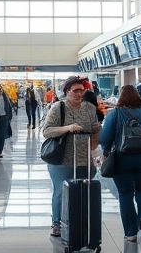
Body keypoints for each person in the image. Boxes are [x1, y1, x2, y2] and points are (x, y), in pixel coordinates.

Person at [99, 85, 141, 242]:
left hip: (122, 158)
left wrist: (107, 152)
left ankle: (131, 233)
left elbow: (105, 138)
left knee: (125, 194)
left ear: (120, 98)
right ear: (138, 96)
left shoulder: (114, 114)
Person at [41, 76, 101, 238]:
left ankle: (79, 221)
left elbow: (96, 128)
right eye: (76, 90)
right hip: (62, 159)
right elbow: (46, 131)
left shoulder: (89, 108)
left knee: (84, 191)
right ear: (67, 91)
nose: (79, 93)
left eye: (82, 90)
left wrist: (94, 149)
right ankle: (57, 223)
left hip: (84, 158)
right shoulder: (58, 107)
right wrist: (67, 128)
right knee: (60, 191)